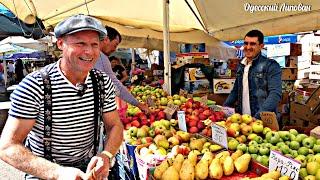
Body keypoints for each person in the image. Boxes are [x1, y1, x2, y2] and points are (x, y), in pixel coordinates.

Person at [0, 14, 124, 180]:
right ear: (60, 44)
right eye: (80, 43)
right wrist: (58, 173)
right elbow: (7, 146)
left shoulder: (102, 82)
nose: (89, 51)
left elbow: (115, 125)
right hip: (44, 171)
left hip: (88, 169)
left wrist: (106, 155)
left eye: (94, 44)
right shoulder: (35, 85)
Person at [224, 29, 282, 120]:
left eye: (253, 44)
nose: (248, 47)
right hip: (243, 121)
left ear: (261, 46)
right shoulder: (241, 65)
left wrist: (258, 116)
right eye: (246, 43)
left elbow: (275, 94)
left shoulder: (271, 65)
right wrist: (224, 109)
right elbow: (235, 91)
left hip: (263, 121)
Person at [95, 26, 151, 114]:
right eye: (115, 44)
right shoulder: (101, 58)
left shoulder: (91, 55)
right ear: (106, 39)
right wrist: (138, 104)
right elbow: (116, 85)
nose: (115, 49)